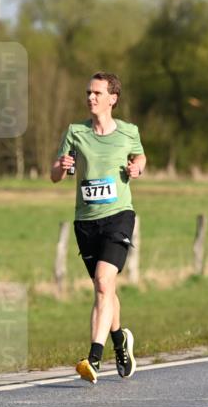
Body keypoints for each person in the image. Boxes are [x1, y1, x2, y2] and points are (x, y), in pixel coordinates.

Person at [51, 72, 146, 384]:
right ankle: (120, 341)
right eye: (88, 92)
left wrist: (137, 167)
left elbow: (140, 157)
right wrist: (61, 167)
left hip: (119, 216)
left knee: (105, 283)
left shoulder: (129, 131)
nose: (90, 98)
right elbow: (55, 174)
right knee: (105, 289)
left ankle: (93, 358)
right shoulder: (76, 132)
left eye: (97, 93)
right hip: (86, 221)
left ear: (112, 98)